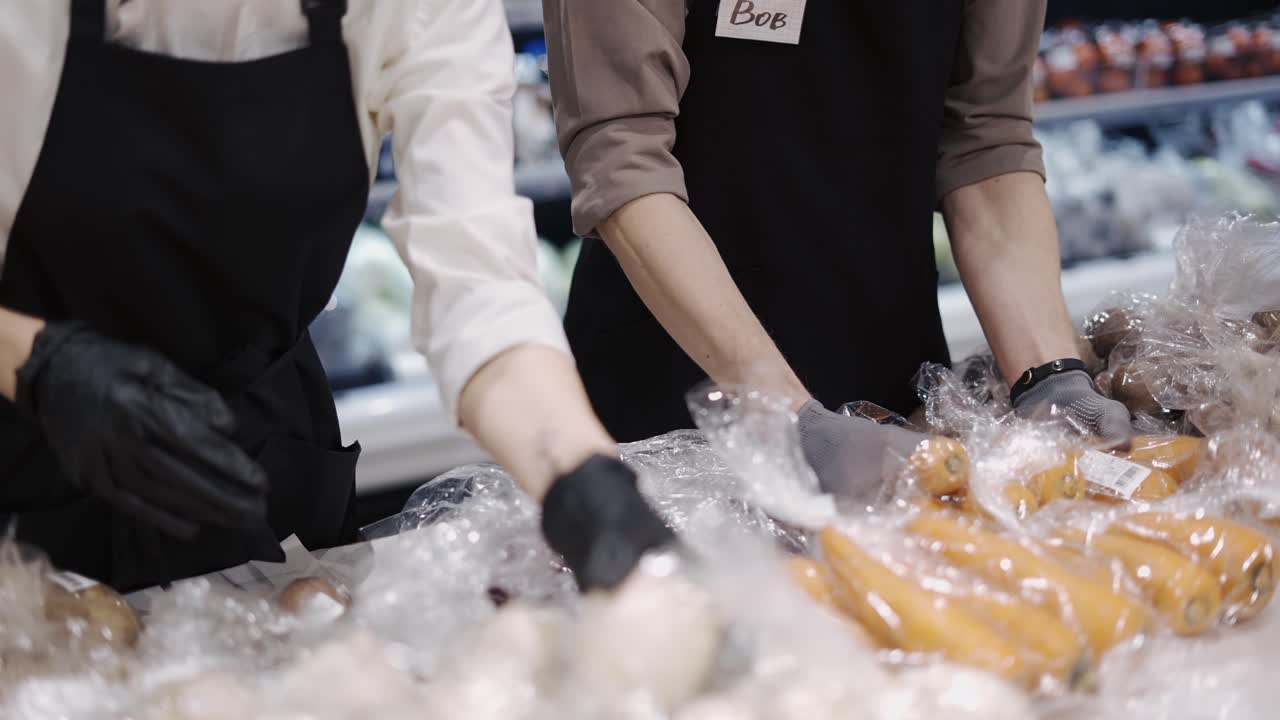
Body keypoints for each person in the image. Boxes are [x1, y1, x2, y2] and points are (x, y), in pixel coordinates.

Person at [0, 0, 672, 593]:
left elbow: (482, 282)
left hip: (253, 456)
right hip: (23, 459)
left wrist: (583, 477)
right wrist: (40, 364)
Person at [543, 0, 1134, 501]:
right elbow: (623, 155)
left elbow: (985, 134)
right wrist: (791, 420)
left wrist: (1050, 378)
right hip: (673, 396)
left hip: (894, 393)